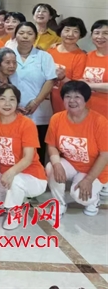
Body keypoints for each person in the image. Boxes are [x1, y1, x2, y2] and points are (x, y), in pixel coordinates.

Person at [0, 84, 47, 230]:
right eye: (2, 99)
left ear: (17, 102)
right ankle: (18, 200)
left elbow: (28, 158)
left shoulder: (26, 124)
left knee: (16, 180)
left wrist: (11, 172)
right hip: (6, 176)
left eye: (12, 99)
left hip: (33, 177)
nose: (7, 104)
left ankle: (14, 213)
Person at [45, 80, 108, 218]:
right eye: (67, 96)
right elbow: (52, 145)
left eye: (77, 97)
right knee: (51, 167)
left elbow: (105, 155)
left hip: (93, 169)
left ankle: (95, 198)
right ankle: (59, 204)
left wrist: (89, 179)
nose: (72, 100)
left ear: (86, 99)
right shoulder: (56, 119)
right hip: (71, 164)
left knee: (80, 196)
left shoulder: (100, 122)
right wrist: (57, 164)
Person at [7, 22, 57, 161]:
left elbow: (50, 80)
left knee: (37, 153)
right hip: (12, 111)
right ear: (15, 35)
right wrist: (14, 106)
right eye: (21, 33)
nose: (25, 37)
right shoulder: (7, 55)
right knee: (14, 152)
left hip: (39, 112)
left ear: (35, 37)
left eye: (29, 34)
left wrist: (36, 102)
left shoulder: (44, 56)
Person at [47, 17, 87, 113]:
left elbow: (77, 85)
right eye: (67, 30)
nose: (70, 34)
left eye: (75, 31)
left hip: (66, 103)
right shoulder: (51, 50)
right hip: (46, 101)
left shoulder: (81, 56)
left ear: (80, 35)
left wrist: (63, 78)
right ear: (60, 32)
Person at [82, 19, 108, 119]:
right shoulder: (86, 56)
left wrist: (89, 85)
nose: (100, 37)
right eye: (96, 33)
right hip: (87, 111)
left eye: (106, 33)